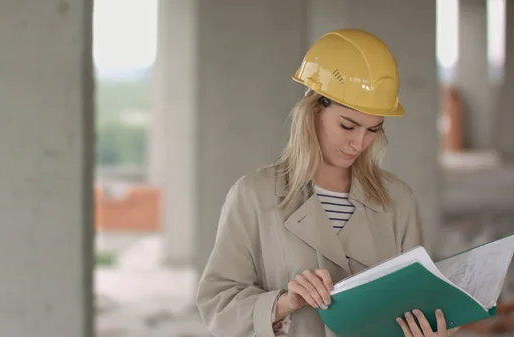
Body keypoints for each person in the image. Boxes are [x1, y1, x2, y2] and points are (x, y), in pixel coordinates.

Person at [195, 28, 459, 337]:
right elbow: (218, 305)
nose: (359, 143)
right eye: (348, 125)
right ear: (313, 108)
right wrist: (283, 302)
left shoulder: (397, 200)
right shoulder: (254, 195)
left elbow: (418, 301)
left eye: (374, 129)